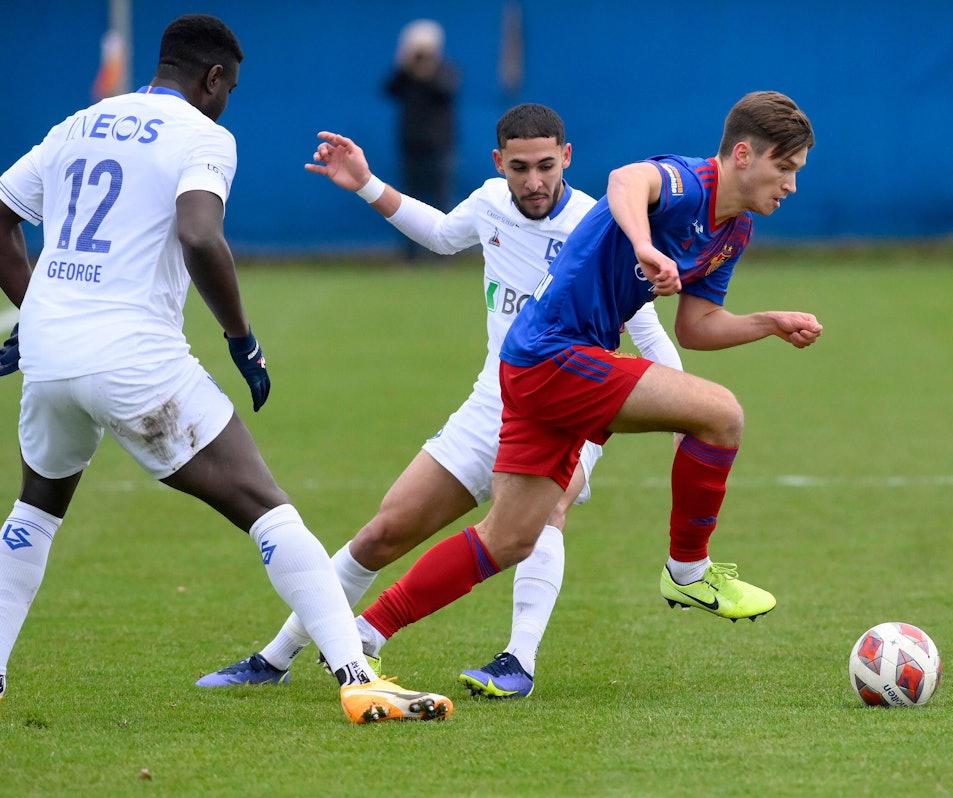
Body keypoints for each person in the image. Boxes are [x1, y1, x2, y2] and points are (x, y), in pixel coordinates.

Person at [0, 14, 450, 724]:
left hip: (51, 357)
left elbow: (1, 213)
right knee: (266, 506)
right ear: (213, 79)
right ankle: (357, 674)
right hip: (133, 359)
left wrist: (38, 313)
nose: (227, 100)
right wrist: (241, 339)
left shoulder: (80, 122)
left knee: (34, 513)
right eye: (229, 88)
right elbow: (200, 232)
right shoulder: (204, 135)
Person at [196, 103, 684, 699]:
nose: (534, 181)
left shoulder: (600, 226)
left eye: (547, 166)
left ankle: (517, 661)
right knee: (383, 532)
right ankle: (276, 658)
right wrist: (367, 184)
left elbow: (651, 335)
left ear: (568, 159)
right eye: (520, 167)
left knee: (543, 516)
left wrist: (684, 410)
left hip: (569, 405)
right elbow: (442, 235)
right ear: (499, 162)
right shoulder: (488, 203)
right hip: (491, 403)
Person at [343, 91, 821, 694]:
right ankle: (688, 571)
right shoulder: (688, 182)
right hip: (553, 354)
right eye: (787, 168)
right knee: (722, 414)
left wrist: (768, 322)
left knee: (512, 537)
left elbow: (694, 329)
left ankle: (365, 636)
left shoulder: (734, 231)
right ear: (745, 155)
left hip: (544, 366)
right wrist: (646, 247)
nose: (792, 185)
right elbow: (626, 179)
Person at [384, 19, 460, 259]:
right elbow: (389, 89)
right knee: (406, 202)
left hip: (440, 147)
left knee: (440, 200)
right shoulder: (406, 76)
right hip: (411, 147)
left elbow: (445, 91)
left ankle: (442, 257)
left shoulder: (445, 70)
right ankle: (410, 256)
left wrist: (427, 68)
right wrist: (404, 63)